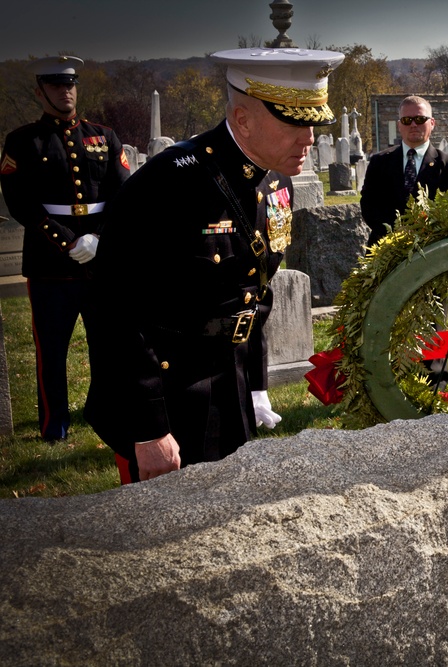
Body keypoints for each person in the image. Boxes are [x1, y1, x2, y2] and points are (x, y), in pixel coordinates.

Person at [84, 48, 344, 483]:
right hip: (168, 391)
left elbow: (256, 285)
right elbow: (112, 308)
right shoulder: (171, 182)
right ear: (243, 120)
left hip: (230, 380)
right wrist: (150, 428)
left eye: (314, 122)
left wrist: (256, 381)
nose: (310, 138)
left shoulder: (276, 177)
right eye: (295, 123)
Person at [0, 56, 130, 441]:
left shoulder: (104, 136)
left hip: (99, 262)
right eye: (56, 86)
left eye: (70, 84)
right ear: (40, 92)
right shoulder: (23, 141)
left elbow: (122, 195)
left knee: (106, 343)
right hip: (49, 264)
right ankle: (54, 423)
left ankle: (104, 410)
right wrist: (66, 240)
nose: (65, 91)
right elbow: (19, 201)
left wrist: (98, 238)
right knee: (52, 350)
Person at [360, 95, 448, 247]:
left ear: (432, 123)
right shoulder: (379, 162)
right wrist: (398, 236)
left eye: (420, 119)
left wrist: (421, 237)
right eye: (407, 120)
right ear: (399, 125)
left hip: (432, 249)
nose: (413, 124)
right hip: (385, 248)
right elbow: (369, 206)